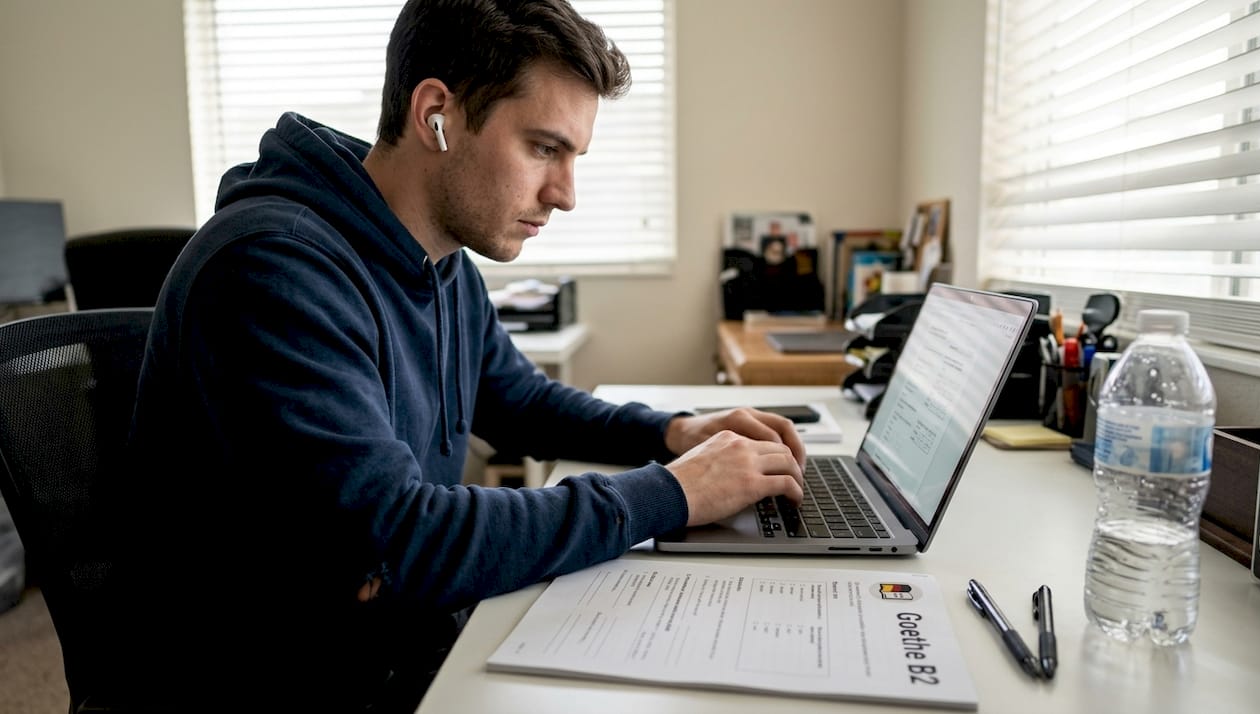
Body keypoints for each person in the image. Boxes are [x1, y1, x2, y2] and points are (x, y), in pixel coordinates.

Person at [106, 1, 805, 712]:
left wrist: (672, 433)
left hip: (390, 642)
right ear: (436, 113)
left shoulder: (436, 256)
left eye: (573, 158)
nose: (565, 195)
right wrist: (675, 492)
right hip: (274, 682)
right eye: (543, 148)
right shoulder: (273, 269)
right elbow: (399, 540)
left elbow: (521, 402)